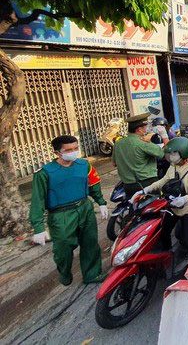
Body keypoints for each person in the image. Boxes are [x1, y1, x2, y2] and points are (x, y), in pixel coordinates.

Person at [30, 135, 108, 285]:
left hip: (84, 207)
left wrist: (101, 202)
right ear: (57, 152)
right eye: (68, 150)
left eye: (75, 148)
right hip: (61, 214)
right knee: (63, 249)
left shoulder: (83, 165)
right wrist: (38, 227)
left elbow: (93, 184)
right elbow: (37, 200)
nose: (73, 152)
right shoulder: (44, 173)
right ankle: (64, 273)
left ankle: (92, 274)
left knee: (90, 243)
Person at [133, 137, 188, 256]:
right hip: (173, 206)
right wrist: (146, 189)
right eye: (170, 154)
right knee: (163, 232)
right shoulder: (174, 165)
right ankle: (167, 255)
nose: (171, 157)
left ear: (184, 153)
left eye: (174, 154)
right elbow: (164, 180)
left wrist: (186, 199)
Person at [113, 113, 165, 197]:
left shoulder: (118, 144)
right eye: (145, 127)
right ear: (139, 129)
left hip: (128, 186)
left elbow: (114, 163)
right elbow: (164, 153)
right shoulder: (143, 143)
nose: (147, 129)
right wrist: (164, 135)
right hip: (146, 184)